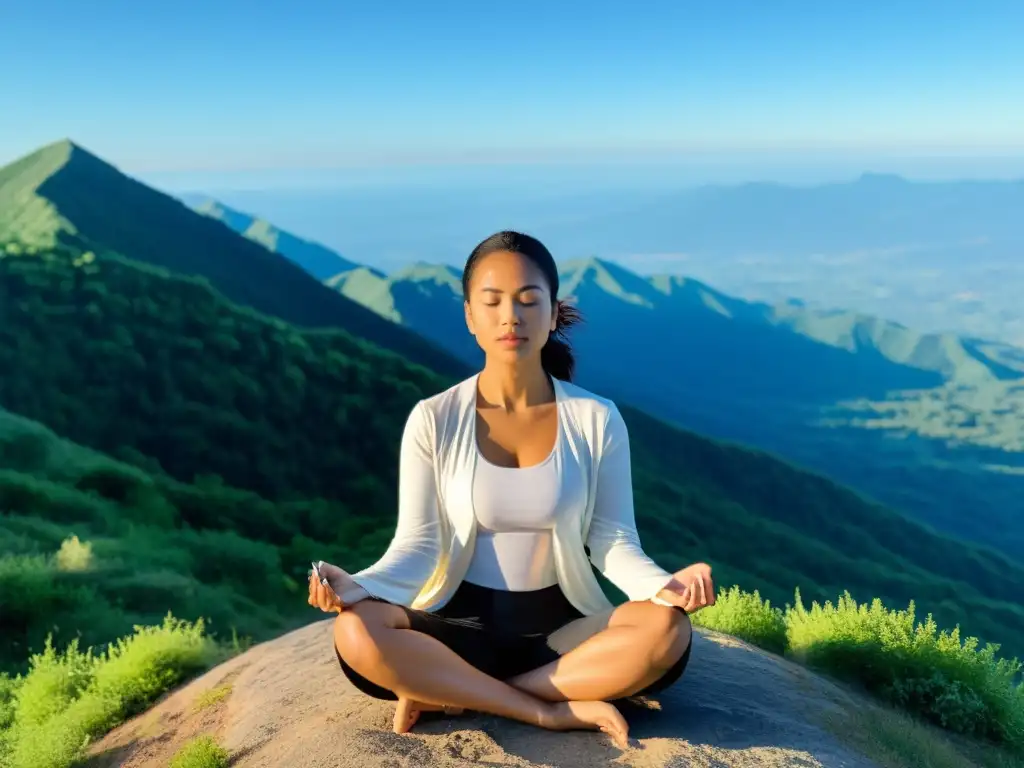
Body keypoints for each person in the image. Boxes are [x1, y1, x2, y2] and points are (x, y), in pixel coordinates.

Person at [307, 230, 715, 749]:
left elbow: (613, 541)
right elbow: (418, 546)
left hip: (562, 637)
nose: (511, 316)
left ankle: (453, 694)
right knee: (355, 629)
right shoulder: (434, 419)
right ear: (469, 316)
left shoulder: (595, 419)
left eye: (528, 300)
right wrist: (357, 584)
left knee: (666, 632)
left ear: (552, 313)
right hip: (455, 631)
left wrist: (668, 588)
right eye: (492, 301)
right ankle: (540, 709)